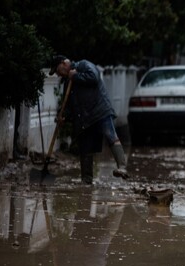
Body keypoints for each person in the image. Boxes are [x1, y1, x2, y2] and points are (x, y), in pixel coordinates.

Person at [50, 55, 128, 184]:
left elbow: (94, 77)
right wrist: (63, 115)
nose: (58, 74)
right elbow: (69, 105)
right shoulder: (68, 83)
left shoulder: (83, 65)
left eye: (57, 70)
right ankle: (86, 181)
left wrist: (76, 76)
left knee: (110, 135)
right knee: (85, 147)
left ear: (64, 63)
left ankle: (122, 167)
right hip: (85, 119)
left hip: (100, 111)